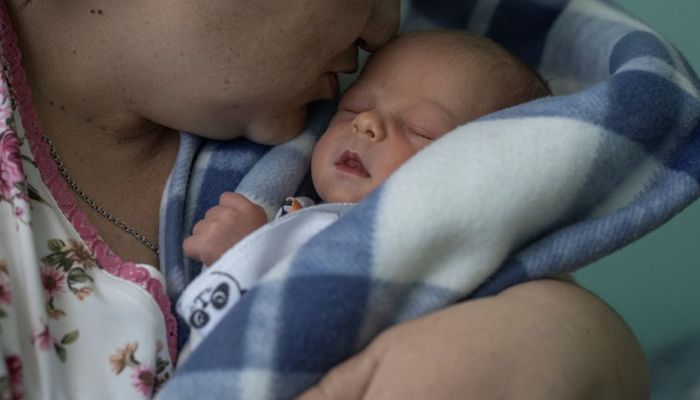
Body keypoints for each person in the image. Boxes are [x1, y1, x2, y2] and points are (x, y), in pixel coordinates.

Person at [0, 1, 647, 399]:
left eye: (420, 131)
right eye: (360, 108)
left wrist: (571, 334)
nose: (385, 24)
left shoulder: (303, 138)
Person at [180, 29, 553, 308]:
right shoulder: (311, 212)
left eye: (419, 130)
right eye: (355, 108)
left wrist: (245, 255)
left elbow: (328, 318)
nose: (366, 123)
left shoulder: (409, 257)